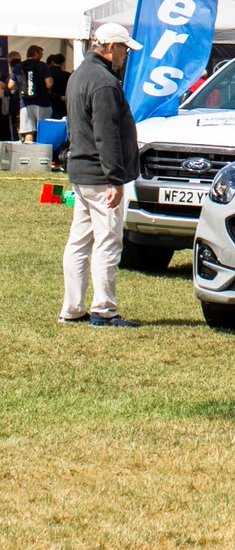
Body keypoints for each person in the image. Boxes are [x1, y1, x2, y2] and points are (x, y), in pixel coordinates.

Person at [60, 22, 143, 328]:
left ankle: (72, 308)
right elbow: (106, 134)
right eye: (123, 49)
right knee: (107, 241)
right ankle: (103, 310)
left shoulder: (80, 74)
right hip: (99, 174)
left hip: (81, 170)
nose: (125, 56)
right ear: (110, 48)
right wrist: (115, 178)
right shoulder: (105, 83)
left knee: (79, 242)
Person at [19, 44, 53, 142]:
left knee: (29, 132)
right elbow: (49, 84)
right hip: (42, 103)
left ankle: (28, 155)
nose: (42, 55)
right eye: (41, 53)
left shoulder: (20, 66)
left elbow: (10, 85)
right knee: (44, 130)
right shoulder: (42, 65)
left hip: (25, 103)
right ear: (35, 53)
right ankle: (42, 155)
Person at [5, 50, 22, 141]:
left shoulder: (12, 76)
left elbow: (7, 92)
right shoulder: (25, 73)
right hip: (24, 105)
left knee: (14, 130)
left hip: (14, 107)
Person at [47, 53, 70, 120]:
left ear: (52, 62)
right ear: (62, 63)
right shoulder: (67, 75)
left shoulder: (47, 74)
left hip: (49, 102)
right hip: (62, 104)